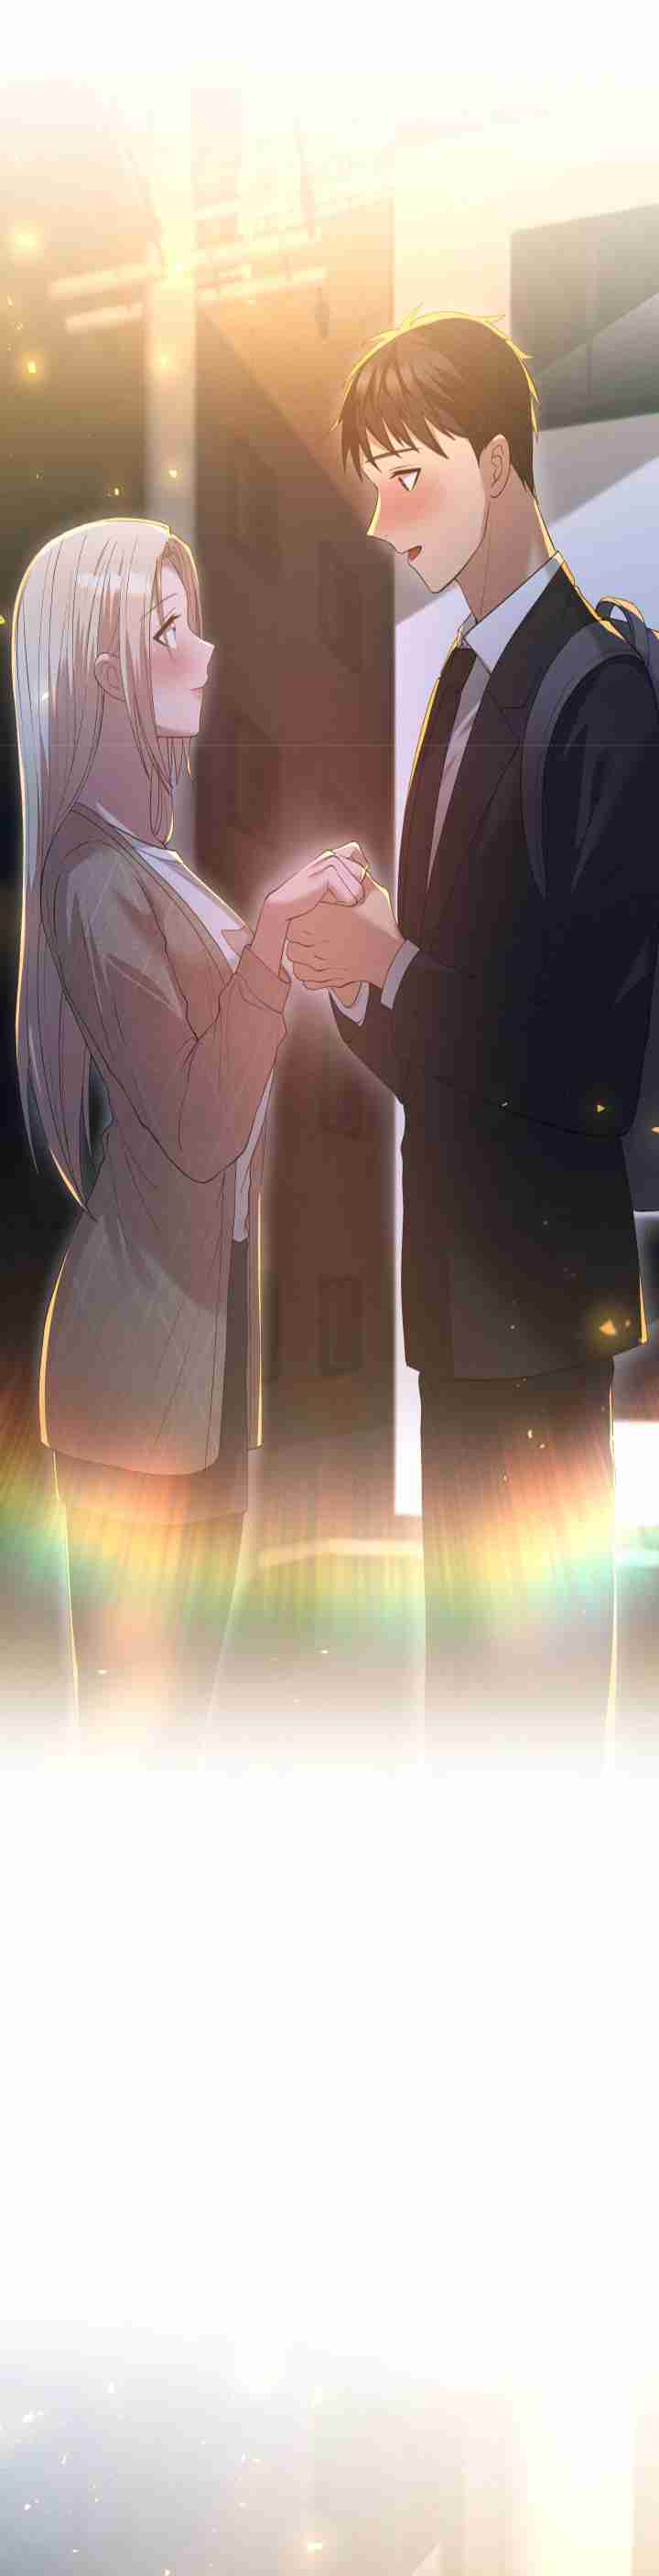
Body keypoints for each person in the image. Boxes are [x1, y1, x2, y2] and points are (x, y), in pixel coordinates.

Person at [286, 312, 659, 1760]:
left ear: (499, 464)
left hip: (540, 1298)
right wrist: (355, 977)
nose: (385, 524)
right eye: (371, 486)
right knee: (471, 1701)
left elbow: (581, 1061)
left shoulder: (601, 689)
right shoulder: (461, 676)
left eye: (411, 479)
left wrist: (393, 964)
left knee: (539, 1709)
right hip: (454, 1296)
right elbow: (452, 1041)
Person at [11, 518, 364, 1739]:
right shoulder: (92, 878)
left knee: (175, 1732)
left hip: (198, 1359)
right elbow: (202, 1126)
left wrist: (296, 946)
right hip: (136, 1370)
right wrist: (268, 945)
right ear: (102, 665)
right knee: (137, 1743)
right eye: (169, 631)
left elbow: (227, 1067)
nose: (203, 653)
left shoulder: (147, 860)